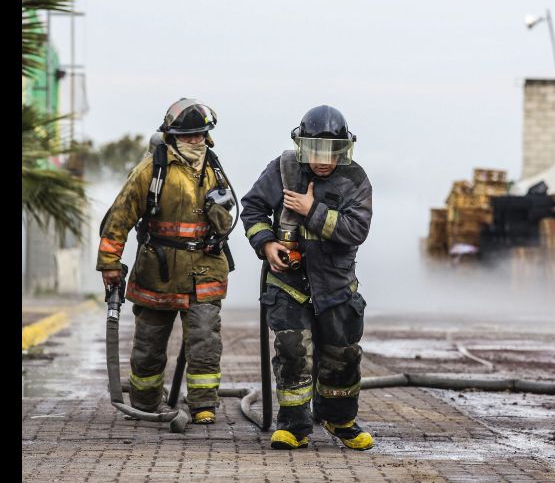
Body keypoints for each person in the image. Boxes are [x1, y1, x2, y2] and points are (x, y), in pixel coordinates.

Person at [240, 105, 374, 450]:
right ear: (302, 145)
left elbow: (356, 230)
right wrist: (266, 243)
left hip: (337, 288)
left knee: (341, 356)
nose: (323, 160)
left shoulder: (355, 180)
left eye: (332, 152)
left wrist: (310, 210)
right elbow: (253, 207)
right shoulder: (283, 169)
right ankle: (294, 426)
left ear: (345, 149)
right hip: (288, 284)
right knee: (292, 352)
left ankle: (340, 419)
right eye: (315, 151)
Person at [96, 98, 235, 424]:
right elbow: (118, 218)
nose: (195, 141)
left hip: (205, 267)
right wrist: (110, 263)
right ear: (172, 136)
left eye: (200, 135)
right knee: (149, 346)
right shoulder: (151, 170)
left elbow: (227, 215)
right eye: (188, 136)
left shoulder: (213, 168)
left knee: (204, 342)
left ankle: (203, 407)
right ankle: (144, 404)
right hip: (157, 269)